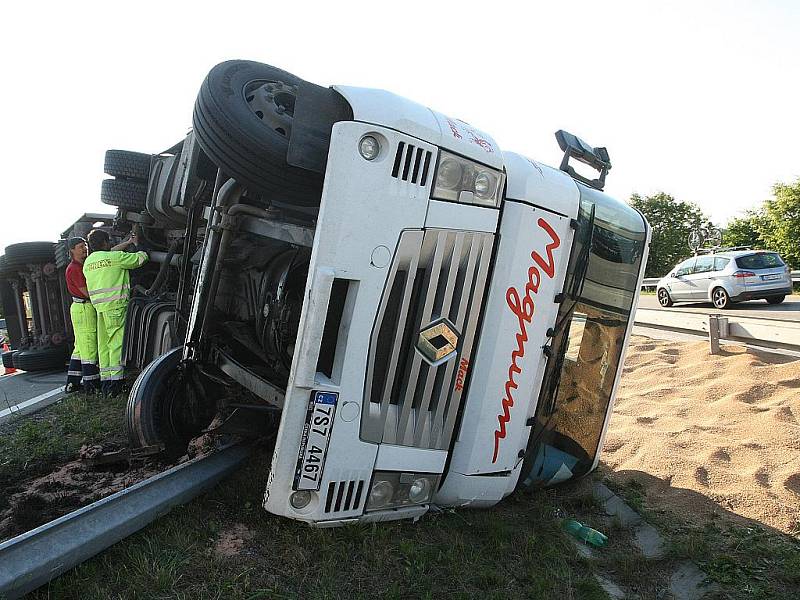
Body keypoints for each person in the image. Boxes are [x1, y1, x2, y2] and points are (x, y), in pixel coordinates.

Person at [83, 229, 148, 395]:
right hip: (116, 307)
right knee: (116, 344)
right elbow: (141, 259)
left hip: (100, 309)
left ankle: (106, 382)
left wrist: (126, 242)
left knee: (104, 345)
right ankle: (117, 383)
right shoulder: (115, 258)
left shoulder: (89, 262)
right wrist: (137, 244)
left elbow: (108, 255)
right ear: (105, 243)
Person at [64, 237, 100, 393]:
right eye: (80, 246)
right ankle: (91, 385)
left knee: (79, 347)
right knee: (89, 346)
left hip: (79, 308)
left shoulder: (78, 266)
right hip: (84, 308)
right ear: (72, 250)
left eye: (85, 245)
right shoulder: (75, 268)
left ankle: (72, 383)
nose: (85, 248)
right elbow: (87, 292)